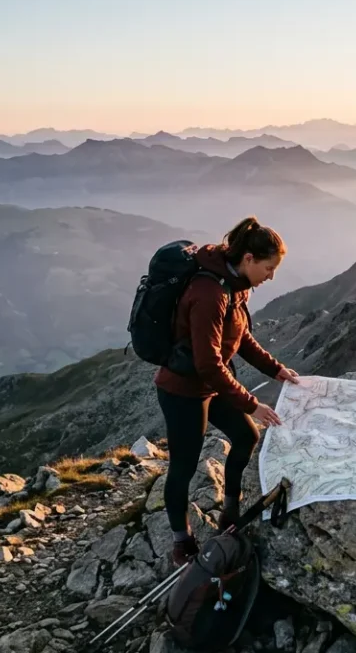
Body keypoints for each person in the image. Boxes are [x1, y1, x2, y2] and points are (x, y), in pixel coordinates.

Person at [153, 216, 299, 565]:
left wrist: (275, 369)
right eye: (269, 267)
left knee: (246, 437)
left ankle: (229, 511)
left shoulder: (236, 285)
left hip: (212, 384)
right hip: (183, 390)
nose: (271, 276)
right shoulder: (210, 293)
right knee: (184, 467)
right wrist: (251, 404)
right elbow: (207, 363)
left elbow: (241, 337)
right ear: (248, 259)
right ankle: (181, 541)